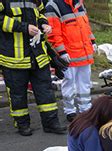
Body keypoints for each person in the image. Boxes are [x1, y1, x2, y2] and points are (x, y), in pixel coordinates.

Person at [0, 0, 66, 136]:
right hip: (14, 57)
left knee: (45, 90)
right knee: (17, 94)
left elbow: (40, 14)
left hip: (37, 54)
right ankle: (22, 124)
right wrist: (23, 27)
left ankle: (51, 123)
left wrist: (44, 24)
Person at [46, 0, 96, 123]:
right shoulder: (53, 6)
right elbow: (53, 33)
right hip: (69, 55)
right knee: (69, 84)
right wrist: (62, 51)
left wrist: (92, 41)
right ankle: (70, 111)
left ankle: (86, 108)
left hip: (84, 53)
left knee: (84, 83)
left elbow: (85, 26)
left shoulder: (79, 3)